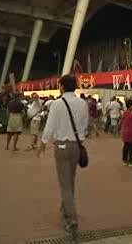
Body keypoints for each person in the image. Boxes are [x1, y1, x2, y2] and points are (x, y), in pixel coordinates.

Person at [38, 75, 89, 239]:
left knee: (64, 183)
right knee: (70, 179)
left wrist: (43, 142)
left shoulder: (57, 104)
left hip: (61, 146)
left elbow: (50, 126)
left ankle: (72, 219)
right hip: (76, 146)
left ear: (61, 86)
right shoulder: (82, 103)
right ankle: (65, 207)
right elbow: (84, 125)